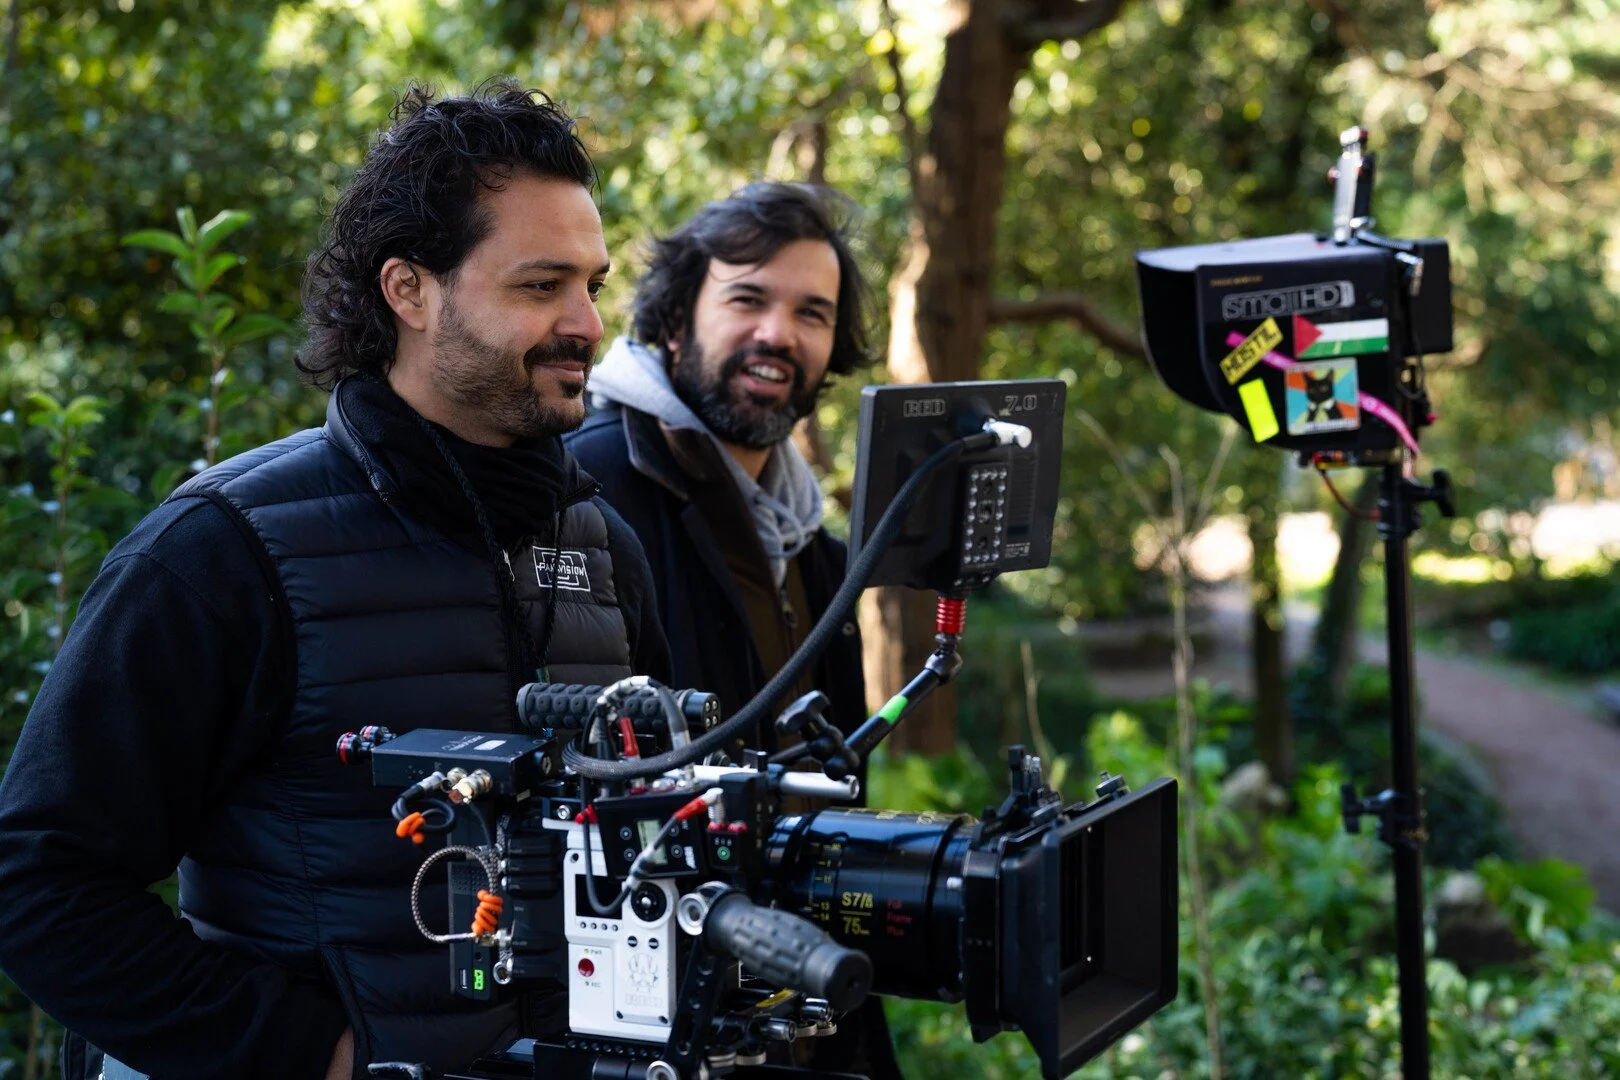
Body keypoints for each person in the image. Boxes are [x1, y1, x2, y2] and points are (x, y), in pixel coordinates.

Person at [0, 80, 669, 1080]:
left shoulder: (605, 546)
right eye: (540, 287)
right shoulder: (224, 546)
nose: (586, 323)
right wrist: (321, 1056)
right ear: (409, 291)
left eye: (593, 284)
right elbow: (35, 880)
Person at [564, 181, 901, 1078]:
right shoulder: (586, 493)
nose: (779, 334)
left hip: (805, 996)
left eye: (812, 313)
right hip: (658, 1013)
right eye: (748, 298)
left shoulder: (819, 548)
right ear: (677, 318)